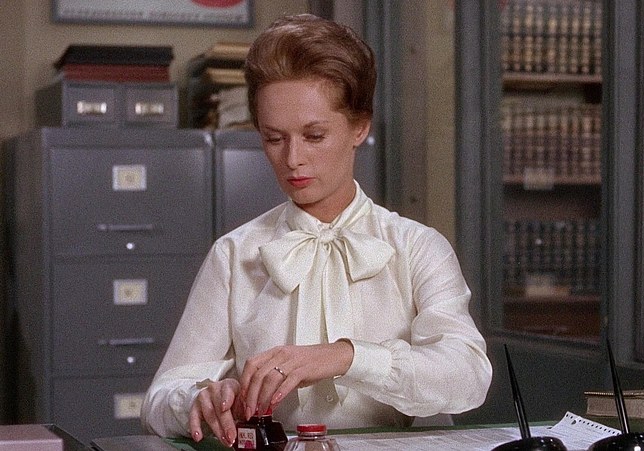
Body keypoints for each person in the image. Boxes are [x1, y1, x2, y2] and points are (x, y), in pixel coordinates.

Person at [141, 14, 492, 446]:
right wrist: (198, 400)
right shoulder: (234, 254)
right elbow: (158, 400)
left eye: (314, 135)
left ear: (359, 127)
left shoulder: (417, 247)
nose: (292, 159)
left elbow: (469, 376)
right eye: (274, 138)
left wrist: (347, 356)